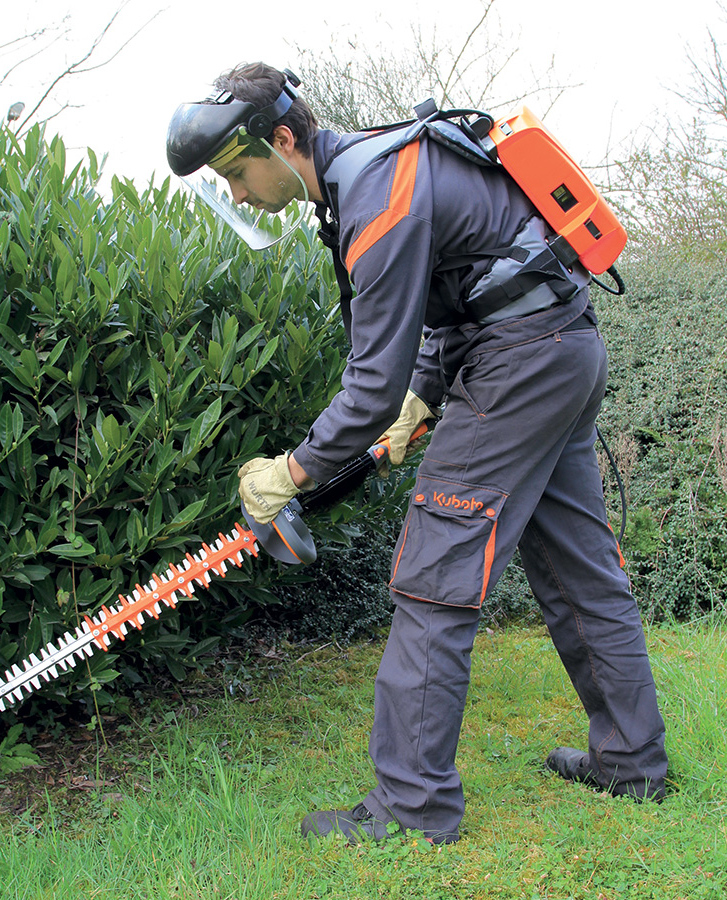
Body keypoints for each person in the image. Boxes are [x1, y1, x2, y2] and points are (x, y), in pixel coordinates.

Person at [165, 62, 668, 845]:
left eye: (236, 172)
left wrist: (287, 474)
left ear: (284, 139)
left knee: (435, 575)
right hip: (558, 348)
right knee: (579, 568)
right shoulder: (377, 167)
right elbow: (462, 287)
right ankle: (632, 762)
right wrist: (422, 397)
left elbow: (368, 384)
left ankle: (412, 806)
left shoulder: (374, 195)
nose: (236, 194)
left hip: (519, 364)